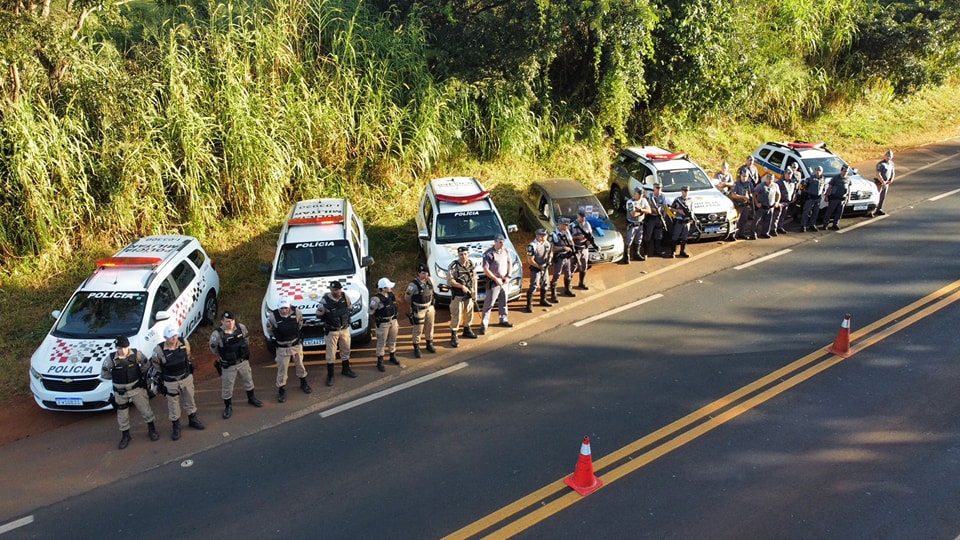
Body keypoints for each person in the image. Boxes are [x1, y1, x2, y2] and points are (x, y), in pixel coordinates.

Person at [102, 336, 158, 449]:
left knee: (145, 409)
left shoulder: (136, 354)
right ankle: (125, 435)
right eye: (119, 348)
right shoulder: (111, 359)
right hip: (120, 392)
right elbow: (105, 374)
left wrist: (140, 376)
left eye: (124, 347)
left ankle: (152, 429)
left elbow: (146, 364)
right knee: (122, 415)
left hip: (136, 389)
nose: (121, 350)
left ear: (128, 346)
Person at [151, 326, 204, 441]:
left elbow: (187, 356)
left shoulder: (184, 342)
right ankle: (176, 426)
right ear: (165, 338)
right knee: (173, 404)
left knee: (190, 399)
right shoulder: (158, 351)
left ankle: (193, 419)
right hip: (171, 382)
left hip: (186, 377)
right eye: (171, 337)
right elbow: (157, 366)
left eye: (175, 335)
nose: (174, 338)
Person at [209, 311, 262, 419]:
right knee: (227, 387)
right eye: (227, 321)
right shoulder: (217, 334)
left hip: (242, 361)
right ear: (222, 322)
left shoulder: (241, 327)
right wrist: (223, 356)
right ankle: (228, 407)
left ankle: (251, 398)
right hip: (229, 365)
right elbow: (213, 348)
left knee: (248, 380)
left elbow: (246, 339)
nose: (230, 323)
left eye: (232, 320)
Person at [266, 297, 311, 401]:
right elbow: (270, 330)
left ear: (289, 306)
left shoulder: (297, 312)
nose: (284, 310)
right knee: (282, 369)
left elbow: (300, 324)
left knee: (300, 365)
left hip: (295, 345)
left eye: (286, 308)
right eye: (281, 308)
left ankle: (303, 383)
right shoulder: (273, 317)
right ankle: (281, 389)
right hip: (282, 348)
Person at [316, 281, 356, 386]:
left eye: (338, 289)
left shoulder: (344, 296)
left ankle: (346, 369)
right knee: (331, 353)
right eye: (335, 290)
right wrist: (328, 314)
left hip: (344, 329)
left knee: (346, 350)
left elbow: (350, 308)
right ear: (331, 290)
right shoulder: (325, 300)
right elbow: (319, 315)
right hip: (332, 331)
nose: (337, 291)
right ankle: (330, 375)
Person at [480, 233, 514, 334]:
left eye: (503, 242)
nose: (502, 244)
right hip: (493, 282)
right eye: (500, 242)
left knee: (504, 301)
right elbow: (485, 269)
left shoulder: (505, 251)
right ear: (495, 242)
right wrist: (495, 279)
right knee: (489, 304)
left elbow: (509, 263)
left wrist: (508, 276)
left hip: (504, 281)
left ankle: (503, 319)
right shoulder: (489, 254)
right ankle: (484, 324)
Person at [448, 246, 478, 347]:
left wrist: (475, 293)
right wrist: (461, 286)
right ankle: (454, 335)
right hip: (458, 296)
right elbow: (450, 281)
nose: (463, 256)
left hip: (469, 295)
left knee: (469, 313)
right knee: (457, 315)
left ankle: (467, 330)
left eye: (465, 254)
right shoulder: (454, 266)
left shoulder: (471, 264)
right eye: (461, 254)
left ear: (468, 254)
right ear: (458, 255)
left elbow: (474, 279)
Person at [369, 277, 401, 371]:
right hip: (383, 324)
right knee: (381, 342)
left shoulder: (391, 295)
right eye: (388, 286)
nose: (391, 288)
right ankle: (380, 360)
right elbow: (371, 312)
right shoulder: (376, 299)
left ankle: (392, 355)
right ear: (383, 288)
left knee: (393, 339)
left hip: (393, 321)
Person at [405, 264, 436, 358]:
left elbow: (432, 290)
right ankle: (416, 347)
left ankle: (429, 343)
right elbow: (407, 298)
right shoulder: (413, 285)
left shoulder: (430, 280)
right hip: (419, 309)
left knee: (430, 326)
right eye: (423, 273)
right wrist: (414, 305)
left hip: (429, 307)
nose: (425, 275)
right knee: (418, 329)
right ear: (418, 273)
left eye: (426, 273)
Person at [524, 228, 552, 312]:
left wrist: (550, 259)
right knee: (534, 285)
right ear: (537, 236)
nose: (544, 237)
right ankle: (529, 304)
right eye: (542, 235)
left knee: (545, 283)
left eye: (545, 235)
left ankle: (543, 300)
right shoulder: (532, 246)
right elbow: (530, 260)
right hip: (536, 268)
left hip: (545, 267)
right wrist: (540, 267)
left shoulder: (547, 243)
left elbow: (550, 253)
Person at [549, 218, 576, 302]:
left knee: (568, 273)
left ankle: (567, 289)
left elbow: (571, 242)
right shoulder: (553, 235)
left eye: (567, 226)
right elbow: (551, 248)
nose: (566, 227)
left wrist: (572, 247)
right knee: (557, 275)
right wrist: (563, 248)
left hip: (567, 257)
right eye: (565, 225)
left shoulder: (567, 232)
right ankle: (553, 295)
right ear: (560, 225)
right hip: (559, 257)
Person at [621, 187, 650, 264]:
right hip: (632, 224)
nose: (640, 196)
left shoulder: (643, 200)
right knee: (629, 240)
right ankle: (626, 257)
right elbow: (633, 214)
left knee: (638, 240)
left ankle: (636, 254)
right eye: (639, 194)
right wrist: (643, 211)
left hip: (640, 224)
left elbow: (649, 211)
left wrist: (640, 210)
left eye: (641, 194)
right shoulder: (630, 202)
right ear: (635, 194)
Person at [569, 210, 594, 290]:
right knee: (572, 267)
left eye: (584, 217)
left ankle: (581, 283)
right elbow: (568, 238)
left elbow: (590, 234)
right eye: (581, 217)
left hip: (584, 248)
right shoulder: (572, 225)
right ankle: (568, 285)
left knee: (584, 266)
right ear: (577, 216)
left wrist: (589, 241)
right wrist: (577, 237)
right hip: (576, 248)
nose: (583, 219)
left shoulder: (587, 224)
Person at [642, 182, 668, 257]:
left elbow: (665, 207)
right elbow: (648, 207)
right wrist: (653, 209)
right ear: (654, 188)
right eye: (657, 188)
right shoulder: (650, 196)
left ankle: (657, 251)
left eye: (660, 188)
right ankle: (646, 252)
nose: (658, 190)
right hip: (651, 217)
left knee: (658, 235)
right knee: (648, 235)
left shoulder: (662, 196)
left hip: (659, 217)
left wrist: (663, 217)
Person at [823, 165, 852, 230]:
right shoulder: (835, 178)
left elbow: (849, 189)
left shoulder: (848, 179)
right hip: (834, 198)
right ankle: (825, 224)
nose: (845, 173)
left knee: (839, 213)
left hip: (842, 199)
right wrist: (826, 196)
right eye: (844, 171)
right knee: (829, 212)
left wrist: (848, 198)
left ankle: (835, 224)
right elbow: (829, 187)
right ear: (841, 171)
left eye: (846, 171)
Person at [753, 173, 781, 238]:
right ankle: (753, 233)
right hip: (762, 206)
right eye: (768, 179)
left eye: (771, 179)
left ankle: (765, 233)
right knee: (757, 220)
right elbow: (754, 194)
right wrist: (756, 203)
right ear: (766, 179)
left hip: (770, 207)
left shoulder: (775, 186)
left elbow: (778, 194)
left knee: (768, 221)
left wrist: (777, 202)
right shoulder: (761, 186)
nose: (770, 181)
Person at [800, 166, 827, 232]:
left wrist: (822, 194)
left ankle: (812, 224)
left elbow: (823, 188)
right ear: (815, 171)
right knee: (806, 212)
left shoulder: (823, 179)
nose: (818, 172)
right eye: (817, 170)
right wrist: (806, 193)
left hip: (818, 199)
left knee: (815, 213)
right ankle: (803, 225)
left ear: (822, 171)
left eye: (820, 170)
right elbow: (802, 187)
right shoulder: (810, 178)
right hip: (810, 198)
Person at [669, 186, 694, 257]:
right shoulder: (677, 200)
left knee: (685, 237)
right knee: (675, 237)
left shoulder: (690, 200)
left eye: (687, 191)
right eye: (684, 191)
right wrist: (678, 211)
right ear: (681, 191)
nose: (685, 193)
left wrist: (692, 218)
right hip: (679, 221)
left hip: (687, 221)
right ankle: (673, 252)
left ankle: (682, 251)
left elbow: (692, 210)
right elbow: (671, 208)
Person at [773, 168, 798, 234]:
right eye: (788, 174)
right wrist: (776, 201)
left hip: (787, 202)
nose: (789, 175)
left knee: (783, 216)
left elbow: (794, 191)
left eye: (790, 174)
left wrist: (793, 197)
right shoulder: (779, 182)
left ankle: (780, 227)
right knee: (776, 216)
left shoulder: (792, 182)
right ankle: (773, 229)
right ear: (784, 174)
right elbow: (775, 193)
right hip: (780, 201)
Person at [731, 173, 755, 240]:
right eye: (743, 176)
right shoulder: (736, 184)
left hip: (746, 205)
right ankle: (732, 234)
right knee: (736, 221)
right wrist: (743, 197)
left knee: (744, 220)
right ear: (740, 176)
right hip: (738, 205)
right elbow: (733, 195)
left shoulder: (749, 184)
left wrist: (750, 200)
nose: (744, 178)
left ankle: (741, 234)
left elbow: (753, 193)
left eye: (746, 176)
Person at [874, 150, 895, 216]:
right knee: (877, 196)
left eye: (890, 156)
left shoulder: (892, 163)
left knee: (882, 197)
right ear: (885, 156)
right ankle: (872, 210)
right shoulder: (880, 164)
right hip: (879, 183)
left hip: (886, 183)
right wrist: (882, 181)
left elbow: (893, 172)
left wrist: (891, 179)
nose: (889, 157)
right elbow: (878, 174)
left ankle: (879, 209)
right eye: (888, 156)